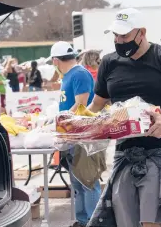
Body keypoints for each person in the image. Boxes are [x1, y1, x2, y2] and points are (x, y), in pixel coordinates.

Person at [87, 8, 161, 227]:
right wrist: (73, 126)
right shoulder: (109, 62)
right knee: (125, 222)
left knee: (153, 222)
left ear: (141, 33)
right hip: (124, 154)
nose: (119, 41)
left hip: (159, 152)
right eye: (116, 36)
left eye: (124, 36)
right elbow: (96, 106)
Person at [50, 41, 100, 227]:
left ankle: (93, 221)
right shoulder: (70, 75)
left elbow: (81, 105)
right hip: (72, 135)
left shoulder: (79, 73)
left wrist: (63, 120)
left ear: (56, 60)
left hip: (83, 135)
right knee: (78, 184)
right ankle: (82, 220)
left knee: (88, 183)